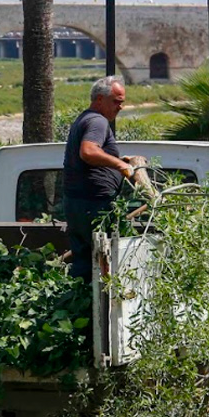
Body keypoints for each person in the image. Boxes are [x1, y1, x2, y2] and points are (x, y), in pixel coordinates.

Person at [63, 75, 134, 281]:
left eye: (122, 102)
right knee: (104, 264)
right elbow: (88, 152)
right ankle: (99, 311)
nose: (120, 107)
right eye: (116, 101)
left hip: (79, 204)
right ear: (100, 100)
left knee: (85, 264)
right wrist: (119, 165)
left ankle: (81, 307)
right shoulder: (98, 121)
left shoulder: (85, 119)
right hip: (94, 206)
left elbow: (91, 156)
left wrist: (117, 159)